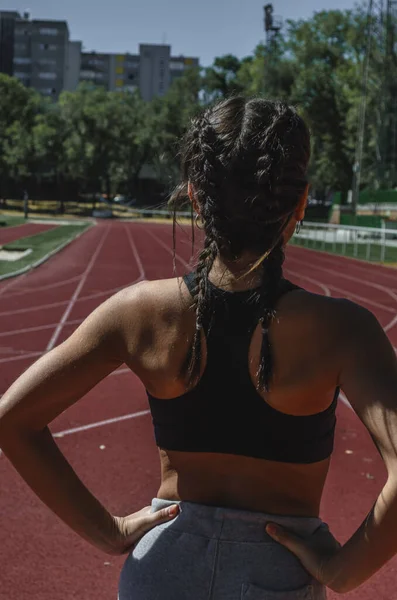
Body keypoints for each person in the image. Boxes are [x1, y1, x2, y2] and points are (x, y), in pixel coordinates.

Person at [1, 97, 397, 599]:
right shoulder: (346, 330)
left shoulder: (137, 312)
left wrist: (109, 531)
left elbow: (12, 419)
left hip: (161, 571)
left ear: (195, 197)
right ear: (300, 203)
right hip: (277, 578)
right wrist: (344, 571)